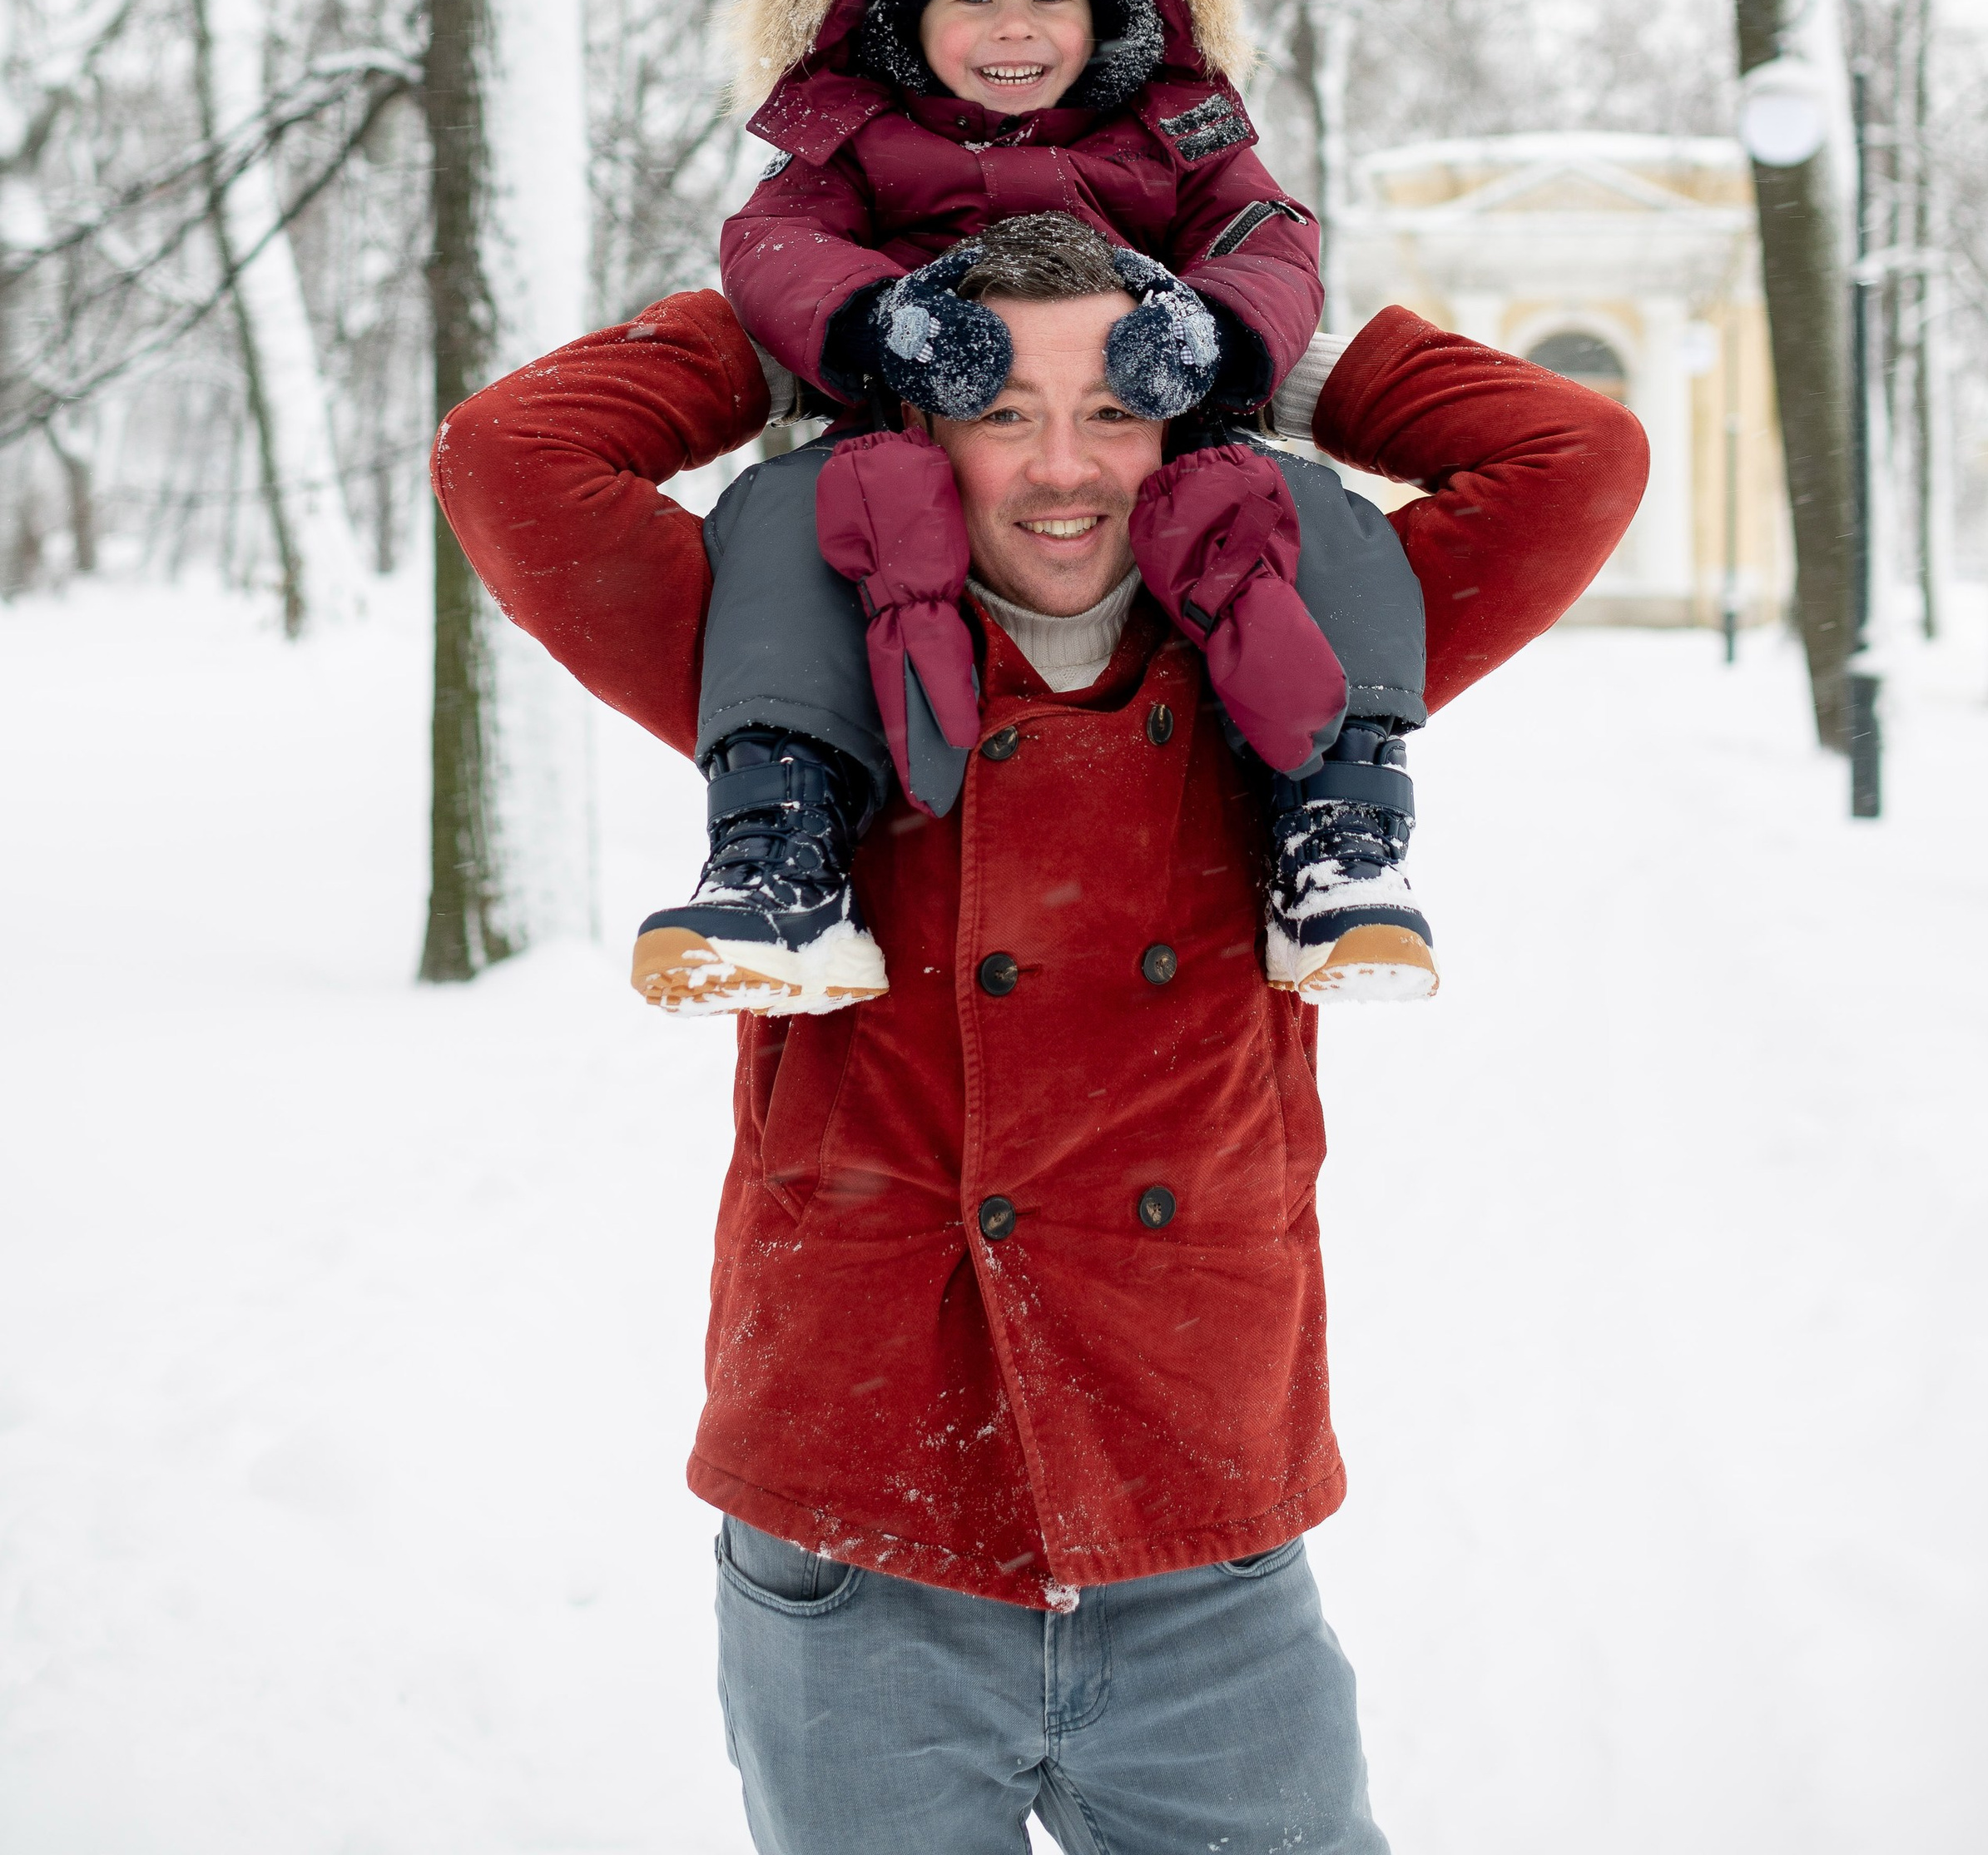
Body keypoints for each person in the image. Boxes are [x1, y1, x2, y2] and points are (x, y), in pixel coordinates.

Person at [431, 216, 1647, 1853]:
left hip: (1198, 1541)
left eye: (1115, 407)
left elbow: (1570, 454)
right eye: (999, 408)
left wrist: (1266, 339)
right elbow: (512, 454)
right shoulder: (792, 671)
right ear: (919, 431)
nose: (1062, 469)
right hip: (857, 1548)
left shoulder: (1282, 680)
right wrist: (808, 327)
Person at [634, 0, 1435, 1016]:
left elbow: (1268, 233)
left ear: (1104, 10)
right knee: (783, 521)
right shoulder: (858, 142)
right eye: (976, 0)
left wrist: (1221, 337)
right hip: (919, 443)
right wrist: (874, 322)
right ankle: (779, 844)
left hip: (1146, 441)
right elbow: (775, 243)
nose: (1015, 30)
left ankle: (1339, 825)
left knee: (1305, 516)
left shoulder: (1175, 134)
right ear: (913, 20)